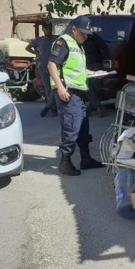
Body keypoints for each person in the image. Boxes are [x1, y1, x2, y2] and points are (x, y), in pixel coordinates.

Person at [47, 16, 106, 176]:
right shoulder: (63, 42)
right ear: (73, 29)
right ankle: (65, 162)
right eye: (83, 33)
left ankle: (86, 159)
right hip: (68, 93)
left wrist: (94, 73)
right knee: (72, 127)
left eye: (87, 34)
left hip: (79, 93)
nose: (85, 36)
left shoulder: (77, 45)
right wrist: (60, 89)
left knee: (83, 125)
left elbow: (78, 70)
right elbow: (52, 64)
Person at [25, 22, 58, 117]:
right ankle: (52, 109)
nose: (49, 30)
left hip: (54, 65)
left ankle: (50, 106)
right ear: (43, 30)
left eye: (50, 29)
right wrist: (37, 54)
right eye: (46, 29)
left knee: (54, 87)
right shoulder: (39, 40)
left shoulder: (56, 38)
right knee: (47, 88)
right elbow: (27, 48)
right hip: (43, 66)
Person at [82, 32, 110, 118]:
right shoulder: (94, 37)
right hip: (88, 65)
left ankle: (97, 107)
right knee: (90, 88)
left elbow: (105, 49)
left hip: (94, 65)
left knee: (91, 89)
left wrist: (102, 61)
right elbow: (105, 48)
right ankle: (93, 108)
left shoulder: (93, 37)